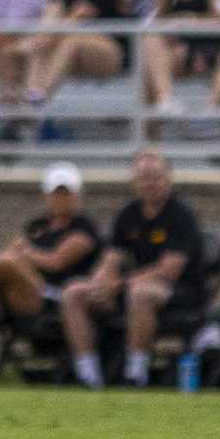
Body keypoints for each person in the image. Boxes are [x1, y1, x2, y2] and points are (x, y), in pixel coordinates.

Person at [0, 162, 101, 387]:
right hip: (13, 296)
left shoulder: (83, 227)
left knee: (7, 262)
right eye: (56, 194)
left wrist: (25, 253)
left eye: (66, 194)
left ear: (78, 195)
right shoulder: (37, 226)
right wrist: (20, 254)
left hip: (51, 297)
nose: (61, 199)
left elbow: (56, 263)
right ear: (46, 196)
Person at [57, 150, 200, 389]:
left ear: (168, 179)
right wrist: (100, 283)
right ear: (134, 181)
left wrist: (120, 284)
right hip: (130, 288)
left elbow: (168, 271)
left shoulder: (181, 215)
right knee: (74, 293)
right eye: (144, 177)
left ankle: (136, 374)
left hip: (179, 293)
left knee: (140, 292)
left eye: (156, 177)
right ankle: (87, 375)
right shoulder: (128, 214)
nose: (150, 183)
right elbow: (112, 258)